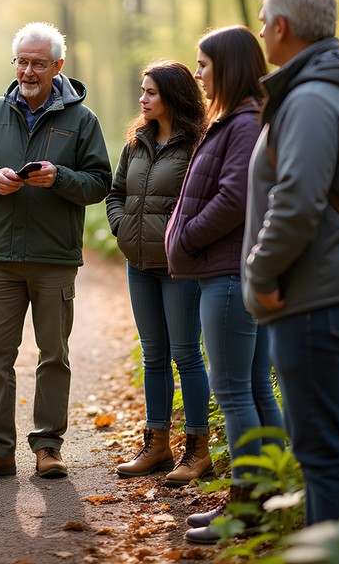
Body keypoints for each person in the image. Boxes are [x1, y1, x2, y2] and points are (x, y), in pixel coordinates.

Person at [242, 0, 339, 526]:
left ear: (281, 27)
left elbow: (297, 201)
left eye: (262, 21)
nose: (259, 30)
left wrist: (261, 274)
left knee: (322, 453)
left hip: (314, 295)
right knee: (319, 450)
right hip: (319, 290)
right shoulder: (318, 91)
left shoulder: (312, 99)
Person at [0, 21, 112, 482]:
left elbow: (100, 183)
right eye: (21, 61)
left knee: (53, 355)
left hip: (55, 258)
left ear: (58, 66)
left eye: (38, 63)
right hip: (0, 256)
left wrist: (60, 177)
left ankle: (47, 447)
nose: (28, 70)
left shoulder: (83, 121)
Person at [165, 25, 284, 543]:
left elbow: (235, 196)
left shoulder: (243, 122)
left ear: (228, 68)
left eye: (203, 65)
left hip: (229, 275)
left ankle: (248, 509)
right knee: (254, 388)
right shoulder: (240, 119)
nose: (197, 74)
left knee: (234, 392)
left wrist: (187, 236)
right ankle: (268, 499)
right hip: (235, 272)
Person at [106, 61, 212, 483]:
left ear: (173, 95)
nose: (142, 98)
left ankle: (198, 449)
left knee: (186, 355)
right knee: (153, 355)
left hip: (179, 267)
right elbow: (116, 194)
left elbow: (205, 203)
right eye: (142, 91)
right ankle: (157, 445)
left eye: (150, 92)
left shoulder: (199, 144)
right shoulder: (137, 141)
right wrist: (122, 229)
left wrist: (180, 239)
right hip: (139, 264)